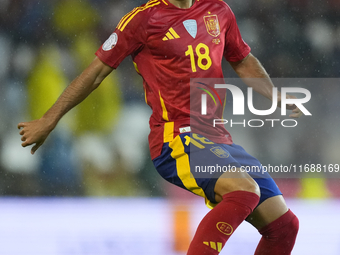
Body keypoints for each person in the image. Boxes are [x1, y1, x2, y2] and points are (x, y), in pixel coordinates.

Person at [18, 0, 301, 254]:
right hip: (176, 138)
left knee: (284, 226)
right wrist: (48, 119)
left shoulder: (219, 10)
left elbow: (241, 59)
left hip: (218, 138)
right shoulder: (143, 19)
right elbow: (95, 73)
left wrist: (273, 94)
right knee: (243, 190)